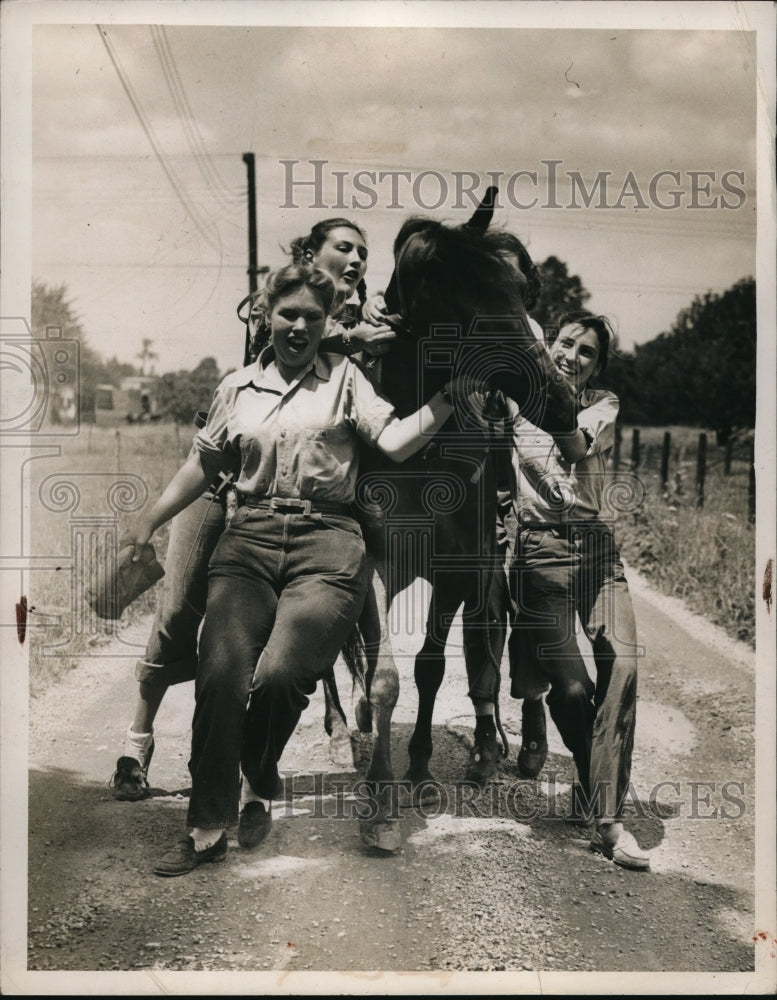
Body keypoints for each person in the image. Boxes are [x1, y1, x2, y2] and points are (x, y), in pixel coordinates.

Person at [121, 262, 456, 876]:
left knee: (280, 676)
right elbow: (204, 462)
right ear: (265, 316)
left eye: (312, 317)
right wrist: (150, 519)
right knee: (221, 674)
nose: (299, 326)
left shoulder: (347, 379)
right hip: (246, 537)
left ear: (328, 324)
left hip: (327, 543)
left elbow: (399, 441)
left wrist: (448, 397)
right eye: (288, 314)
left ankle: (257, 764)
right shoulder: (237, 388)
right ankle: (205, 825)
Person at [110, 218, 395, 801]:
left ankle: (255, 762)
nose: (358, 258)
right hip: (223, 485)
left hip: (304, 503)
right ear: (310, 257)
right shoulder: (275, 308)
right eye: (344, 247)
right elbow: (265, 369)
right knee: (179, 616)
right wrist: (350, 340)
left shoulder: (366, 326)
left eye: (364, 252)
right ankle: (136, 742)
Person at [506, 311, 650, 871]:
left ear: (597, 365)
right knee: (569, 688)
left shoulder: (602, 404)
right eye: (564, 343)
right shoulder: (516, 405)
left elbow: (572, 443)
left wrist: (535, 403)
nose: (571, 355)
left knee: (624, 664)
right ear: (549, 344)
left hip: (597, 551)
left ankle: (608, 820)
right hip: (540, 552)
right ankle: (597, 790)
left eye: (585, 351)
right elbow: (527, 458)